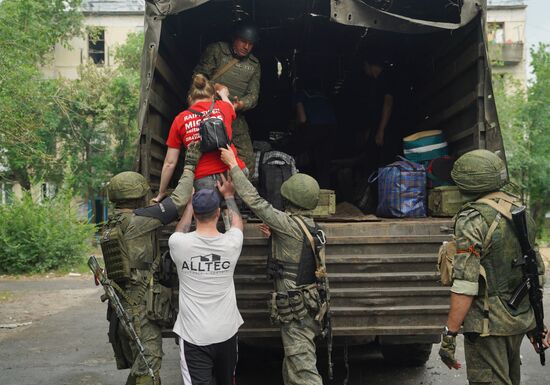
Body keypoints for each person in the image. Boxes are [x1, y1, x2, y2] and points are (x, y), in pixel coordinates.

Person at [438, 149, 548, 385]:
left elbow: (465, 286)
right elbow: (532, 272)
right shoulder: (519, 211)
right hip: (517, 321)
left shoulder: (472, 219)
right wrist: (535, 325)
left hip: (487, 328)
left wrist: (449, 335)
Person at [219, 146, 327, 385]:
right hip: (308, 304)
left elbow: (255, 201)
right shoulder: (312, 228)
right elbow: (301, 258)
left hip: (296, 306)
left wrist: (233, 166)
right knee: (293, 363)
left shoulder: (289, 226)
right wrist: (276, 239)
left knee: (302, 369)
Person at [100, 143, 202, 385]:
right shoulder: (140, 220)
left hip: (125, 303)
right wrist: (190, 164)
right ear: (138, 196)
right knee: (148, 363)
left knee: (141, 364)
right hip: (141, 306)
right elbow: (178, 201)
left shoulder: (113, 223)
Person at [168, 175, 244, 385]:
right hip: (227, 333)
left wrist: (189, 205)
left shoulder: (178, 244)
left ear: (195, 215)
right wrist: (229, 195)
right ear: (218, 213)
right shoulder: (232, 244)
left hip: (194, 337)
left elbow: (180, 230)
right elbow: (237, 223)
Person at [153, 74, 247, 202]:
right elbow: (231, 106)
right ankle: (233, 207)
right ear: (213, 96)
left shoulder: (180, 119)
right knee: (235, 196)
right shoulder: (224, 107)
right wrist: (224, 94)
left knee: (206, 207)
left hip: (204, 181)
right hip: (234, 174)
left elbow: (170, 163)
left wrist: (161, 192)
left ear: (190, 98)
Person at [193, 22, 261, 176]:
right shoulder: (217, 50)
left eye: (250, 44)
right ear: (234, 39)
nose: (247, 47)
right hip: (207, 111)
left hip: (234, 115)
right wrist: (214, 86)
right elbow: (197, 77)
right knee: (199, 153)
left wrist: (240, 104)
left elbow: (254, 96)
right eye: (243, 42)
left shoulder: (254, 64)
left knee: (247, 158)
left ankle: (238, 195)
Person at [293, 76, 336, 188]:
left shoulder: (300, 94)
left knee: (300, 158)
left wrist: (293, 125)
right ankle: (325, 196)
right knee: (324, 165)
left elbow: (302, 119)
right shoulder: (322, 95)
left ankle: (302, 189)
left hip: (314, 128)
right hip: (331, 128)